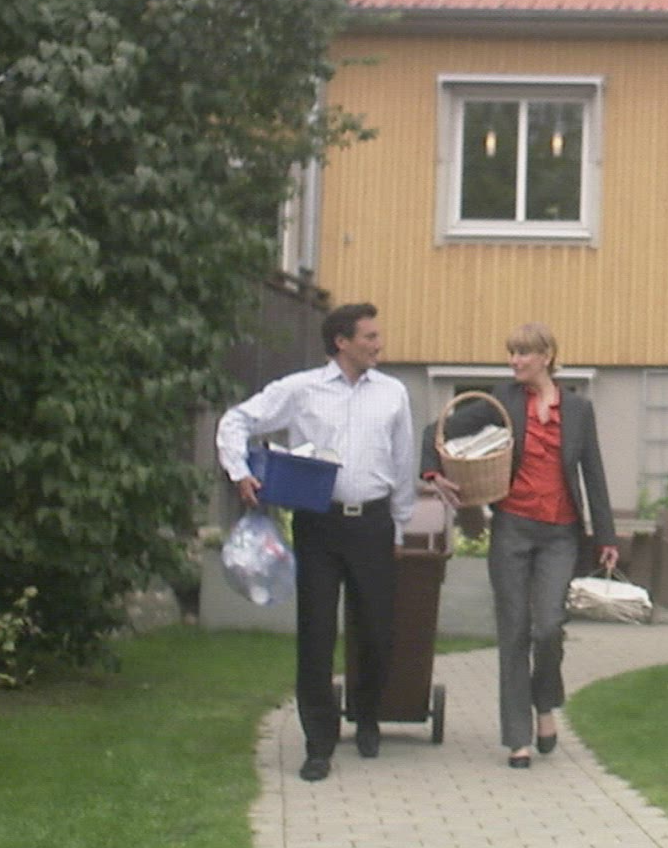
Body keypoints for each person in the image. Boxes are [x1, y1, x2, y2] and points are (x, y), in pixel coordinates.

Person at [216, 302, 417, 783]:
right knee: (316, 635)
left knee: (376, 631)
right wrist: (240, 471)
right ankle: (319, 744)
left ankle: (366, 717)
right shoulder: (301, 389)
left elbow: (403, 461)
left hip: (373, 524)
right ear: (342, 343)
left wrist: (400, 526)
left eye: (377, 335)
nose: (378, 344)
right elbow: (236, 420)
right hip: (319, 525)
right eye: (369, 337)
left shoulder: (393, 393)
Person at [423, 322, 619, 768]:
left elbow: (593, 473)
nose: (514, 361)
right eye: (511, 353)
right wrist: (432, 471)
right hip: (512, 528)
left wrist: (605, 536)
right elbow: (438, 429)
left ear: (546, 356)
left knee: (548, 627)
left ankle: (544, 704)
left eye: (523, 353)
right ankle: (517, 738)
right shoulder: (504, 401)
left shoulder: (579, 410)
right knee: (513, 630)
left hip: (560, 535)